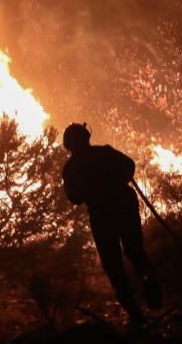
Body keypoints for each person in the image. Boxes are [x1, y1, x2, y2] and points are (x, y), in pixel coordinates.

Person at [61, 123, 162, 328]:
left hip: (101, 214)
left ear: (68, 145)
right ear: (87, 138)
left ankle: (136, 315)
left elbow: (75, 197)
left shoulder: (70, 169)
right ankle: (151, 287)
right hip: (124, 204)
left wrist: (92, 190)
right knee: (134, 250)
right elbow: (129, 166)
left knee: (112, 264)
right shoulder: (106, 152)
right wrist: (116, 182)